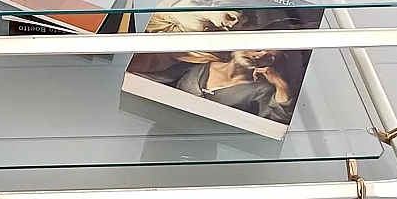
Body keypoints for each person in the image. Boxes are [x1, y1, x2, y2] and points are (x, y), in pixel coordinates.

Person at [127, 48, 297, 123]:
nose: (259, 56)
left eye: (270, 58)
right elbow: (154, 79)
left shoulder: (260, 90)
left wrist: (282, 87)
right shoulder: (201, 63)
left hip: (206, 143)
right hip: (161, 126)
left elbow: (275, 124)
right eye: (259, 48)